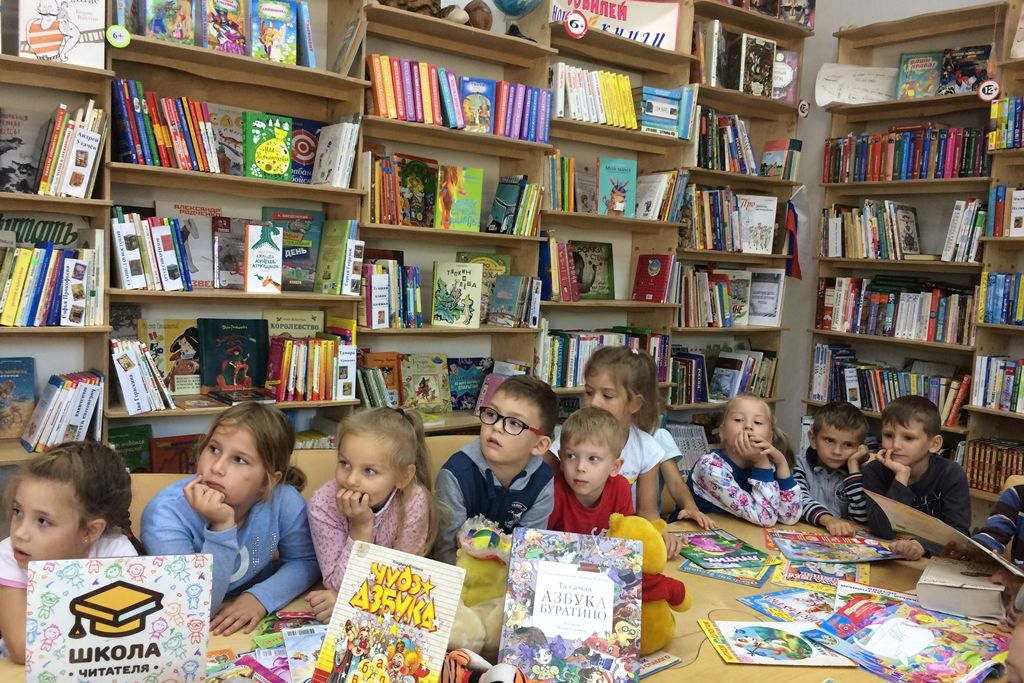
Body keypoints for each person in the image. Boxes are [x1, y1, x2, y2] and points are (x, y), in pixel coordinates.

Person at [142, 403, 319, 636]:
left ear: (268, 481)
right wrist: (222, 527)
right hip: (191, 629)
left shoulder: (284, 500)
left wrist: (260, 597)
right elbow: (193, 608)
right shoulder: (165, 515)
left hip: (244, 627)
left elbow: (305, 560)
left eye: (239, 460)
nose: (217, 467)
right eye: (214, 449)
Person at [548, 348, 714, 539]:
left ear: (634, 404)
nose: (594, 402)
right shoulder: (572, 440)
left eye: (607, 396)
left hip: (616, 540)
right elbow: (543, 487)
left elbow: (647, 513)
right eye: (589, 392)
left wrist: (660, 534)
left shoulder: (646, 448)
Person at [0, 442, 139, 664]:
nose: (19, 533)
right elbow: (23, 648)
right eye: (18, 511)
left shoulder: (116, 553)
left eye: (42, 521)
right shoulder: (10, 554)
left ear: (90, 531)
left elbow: (129, 633)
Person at [306, 408, 442, 622]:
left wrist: (347, 600)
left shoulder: (413, 501)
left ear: (404, 477)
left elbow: (403, 584)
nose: (351, 480)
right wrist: (360, 529)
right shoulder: (323, 504)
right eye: (345, 464)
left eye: (369, 471)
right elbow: (334, 584)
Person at [434, 375, 556, 564]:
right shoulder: (455, 475)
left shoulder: (542, 482)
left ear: (540, 445)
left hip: (509, 574)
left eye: (514, 423)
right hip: (460, 573)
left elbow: (529, 553)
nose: (497, 426)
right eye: (492, 414)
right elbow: (445, 553)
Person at [862, 395, 971, 561]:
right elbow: (881, 530)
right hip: (890, 559)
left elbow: (960, 535)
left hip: (932, 562)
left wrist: (922, 545)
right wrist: (901, 478)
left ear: (934, 444)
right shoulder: (874, 471)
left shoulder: (951, 474)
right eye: (889, 435)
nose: (895, 445)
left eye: (908, 438)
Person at [687, 394, 801, 527]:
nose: (748, 426)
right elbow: (765, 519)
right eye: (738, 419)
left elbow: (790, 517)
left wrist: (781, 463)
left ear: (769, 438)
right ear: (722, 432)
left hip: (742, 532)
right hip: (699, 533)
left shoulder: (768, 465)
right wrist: (761, 463)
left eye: (757, 422)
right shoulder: (711, 467)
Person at [548, 406, 633, 535]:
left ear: (614, 467)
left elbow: (627, 537)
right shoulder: (553, 491)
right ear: (562, 460)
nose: (580, 467)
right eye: (571, 456)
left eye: (593, 458)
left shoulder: (620, 488)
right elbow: (536, 540)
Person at [793, 401, 871, 535]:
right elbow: (797, 500)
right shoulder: (798, 464)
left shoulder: (861, 473)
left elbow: (862, 519)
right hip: (803, 534)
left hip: (844, 541)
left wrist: (853, 466)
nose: (836, 451)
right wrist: (828, 520)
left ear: (860, 448)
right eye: (829, 441)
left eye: (848, 445)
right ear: (813, 439)